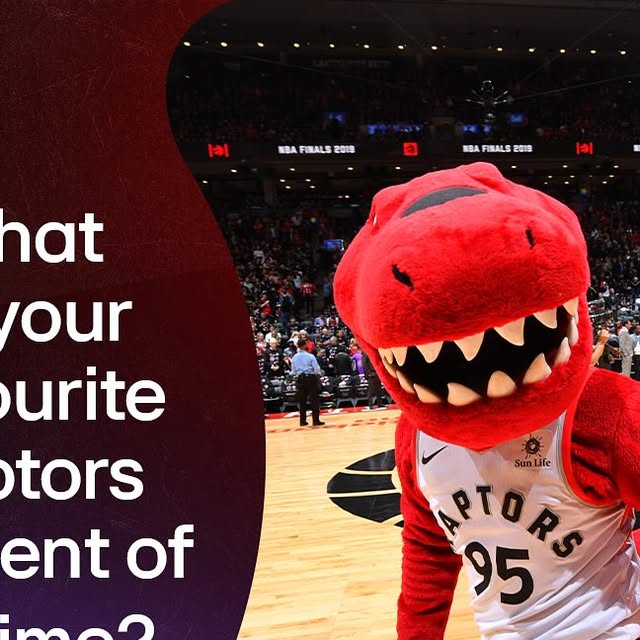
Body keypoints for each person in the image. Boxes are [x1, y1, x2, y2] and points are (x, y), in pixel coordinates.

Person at [290, 338, 325, 427]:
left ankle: (302, 421)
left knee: (302, 401)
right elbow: (316, 369)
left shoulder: (294, 357)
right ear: (305, 345)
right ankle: (315, 420)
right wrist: (318, 375)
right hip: (310, 378)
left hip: (300, 379)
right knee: (314, 400)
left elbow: (293, 371)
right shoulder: (310, 356)